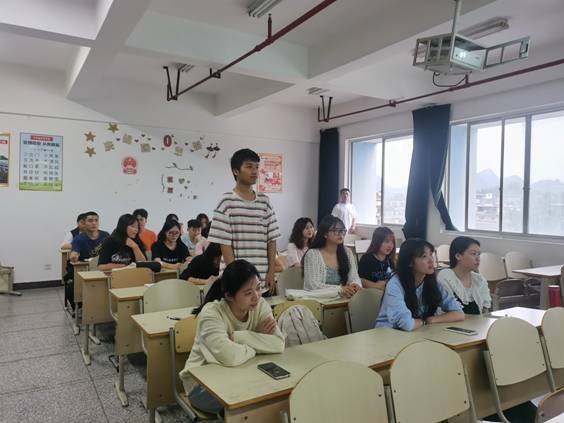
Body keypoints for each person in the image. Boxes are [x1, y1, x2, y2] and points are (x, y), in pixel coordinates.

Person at [179, 260, 285, 415]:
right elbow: (229, 356)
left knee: (272, 390)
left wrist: (239, 337)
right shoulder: (211, 313)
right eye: (248, 293)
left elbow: (278, 344)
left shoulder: (260, 305)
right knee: (254, 398)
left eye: (258, 288)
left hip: (242, 373)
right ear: (229, 295)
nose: (256, 297)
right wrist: (258, 344)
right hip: (202, 386)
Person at [208, 149, 281, 294]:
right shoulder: (226, 202)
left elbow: (272, 240)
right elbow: (225, 244)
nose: (254, 171)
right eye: (249, 166)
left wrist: (271, 271)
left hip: (261, 278)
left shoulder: (265, 201)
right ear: (236, 171)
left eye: (257, 167)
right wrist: (236, 278)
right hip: (235, 280)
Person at [376, 238, 464, 331]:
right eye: (424, 256)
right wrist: (425, 322)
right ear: (409, 262)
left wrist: (431, 320)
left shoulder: (432, 282)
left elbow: (459, 313)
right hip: (387, 333)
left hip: (416, 331)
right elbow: (407, 324)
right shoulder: (395, 284)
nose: (431, 260)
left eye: (431, 254)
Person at [303, 215, 361, 298]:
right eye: (336, 231)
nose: (340, 234)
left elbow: (354, 276)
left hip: (343, 299)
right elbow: (312, 285)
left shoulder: (347, 252)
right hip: (319, 301)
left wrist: (355, 284)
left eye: (342, 230)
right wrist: (340, 289)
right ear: (325, 234)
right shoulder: (313, 254)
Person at [437, 237, 491, 315]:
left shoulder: (479, 280)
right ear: (458, 256)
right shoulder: (445, 276)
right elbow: (446, 310)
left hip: (477, 322)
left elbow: (485, 311)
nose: (478, 258)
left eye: (479, 254)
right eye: (473, 254)